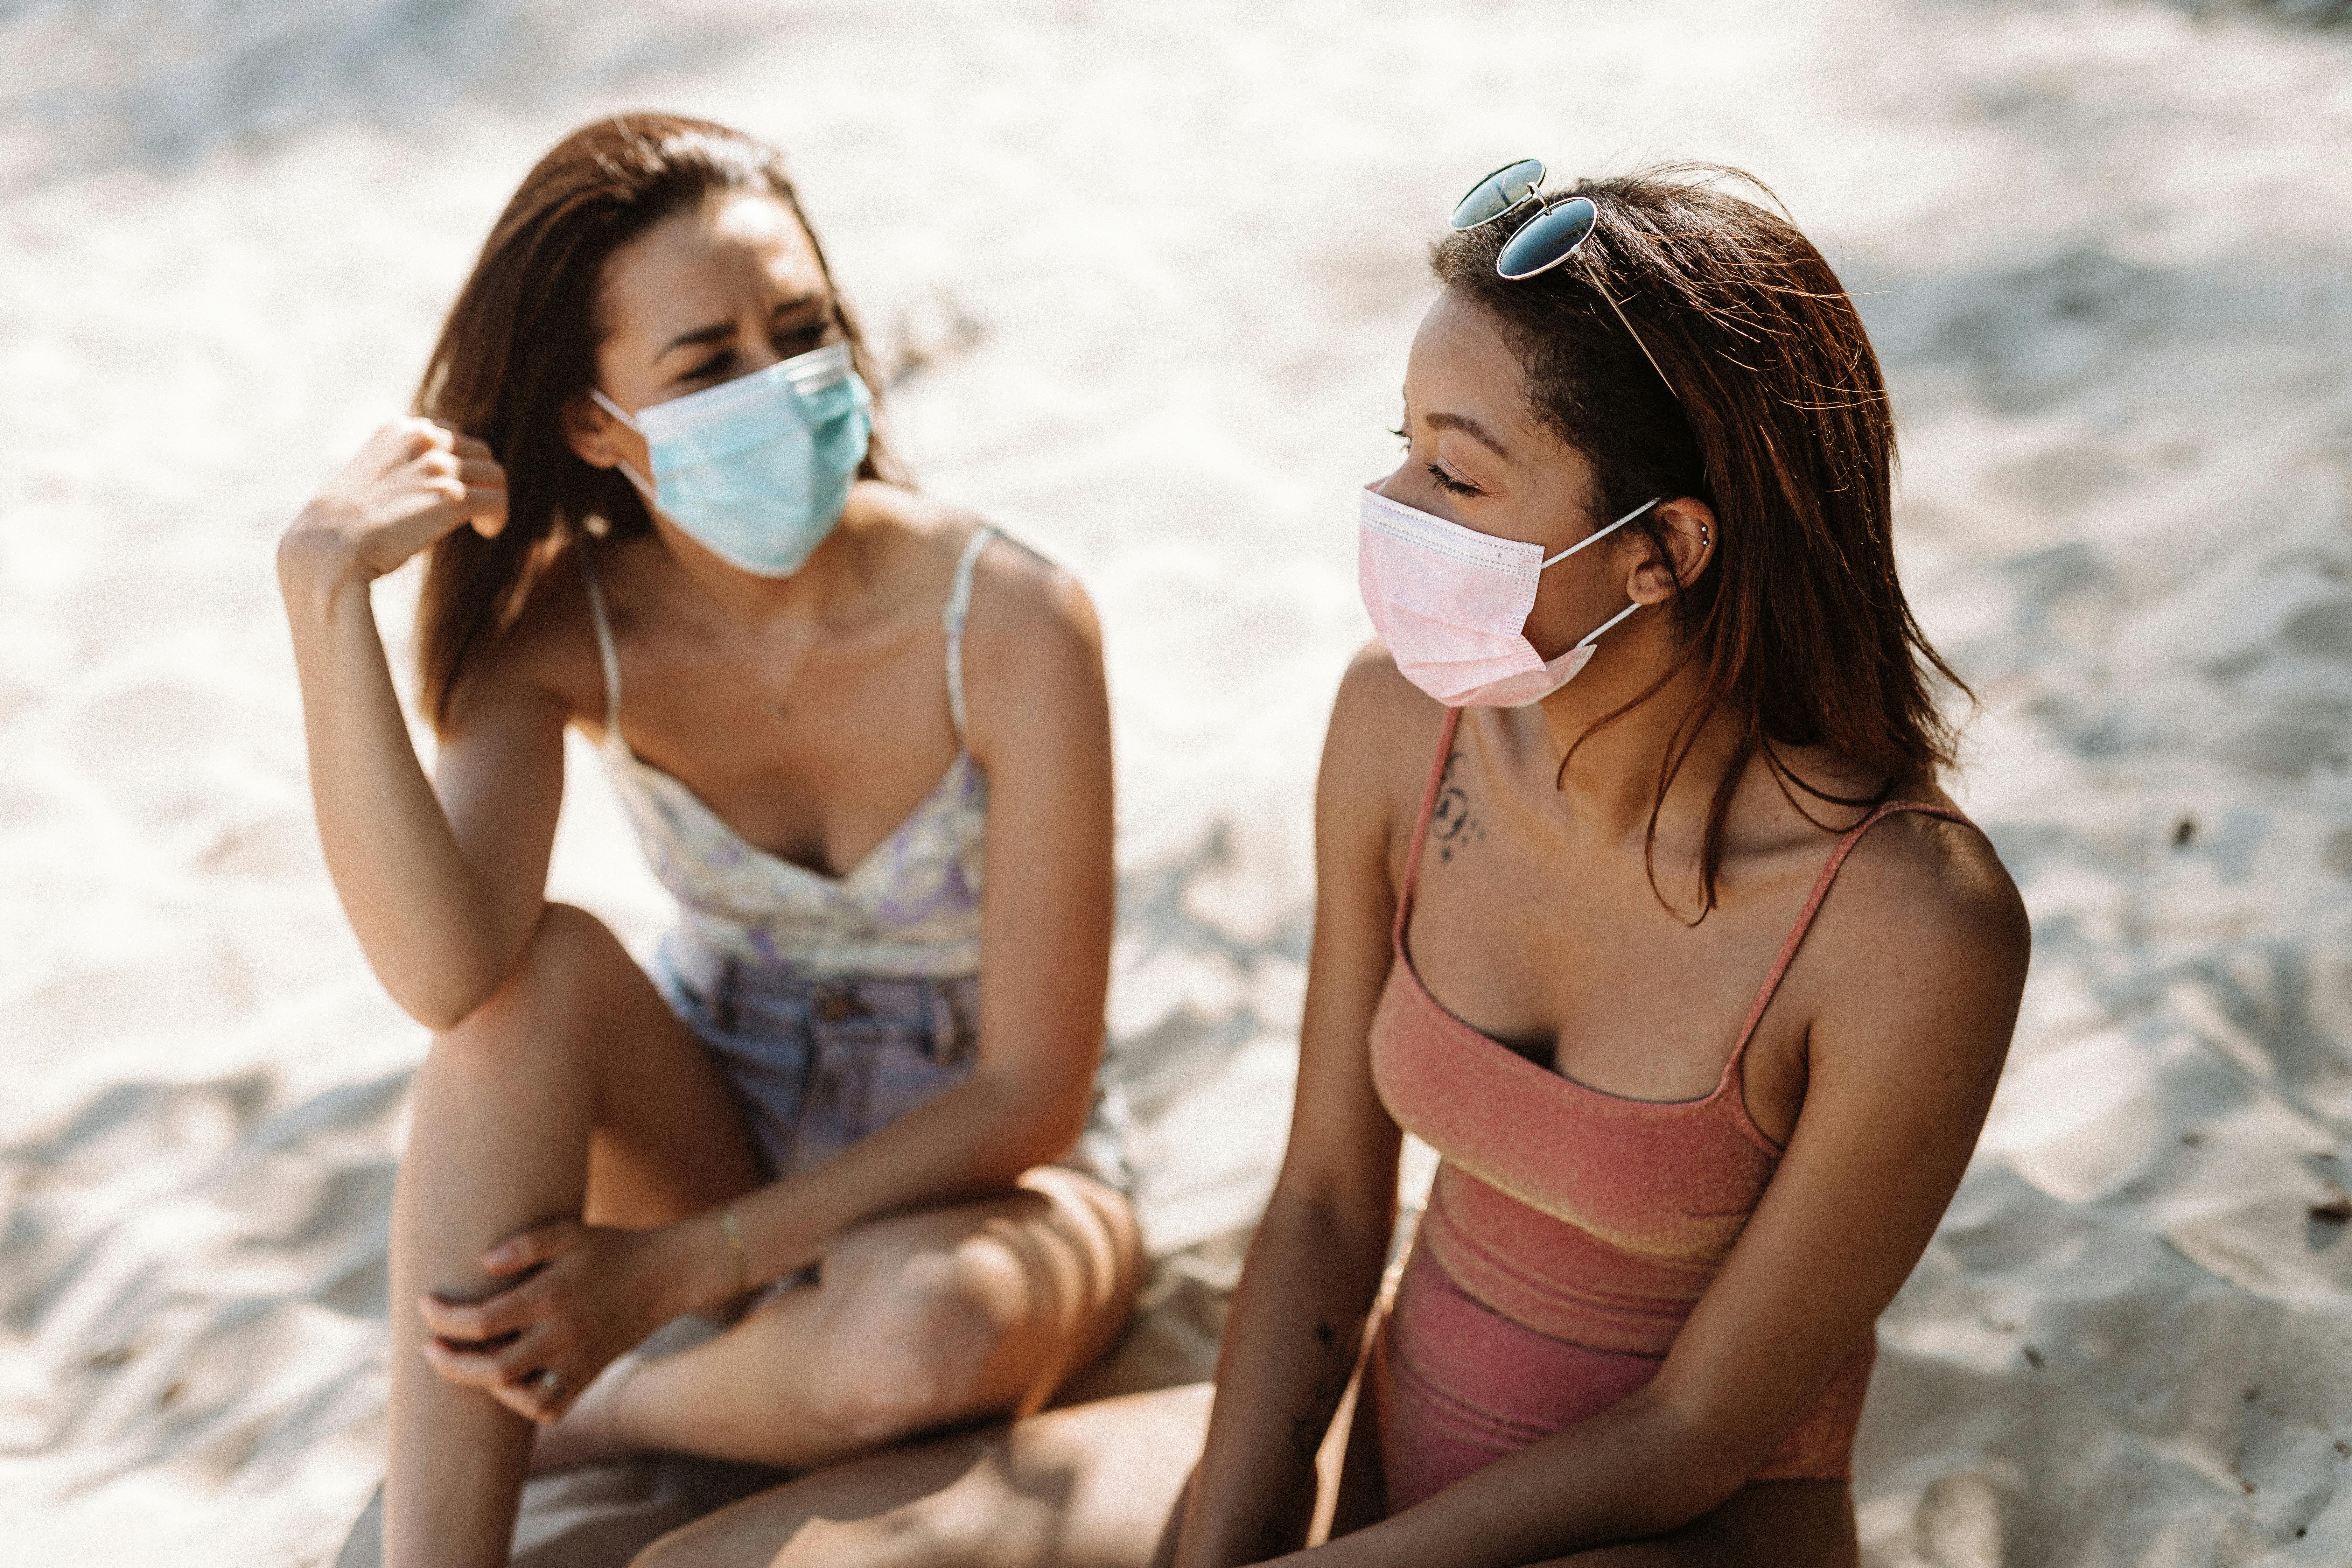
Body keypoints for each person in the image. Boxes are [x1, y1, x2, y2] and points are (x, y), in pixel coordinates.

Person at [622, 161, 2028, 1568]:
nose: (1390, 500)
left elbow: (1694, 1435)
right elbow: (1323, 1203)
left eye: (1455, 474)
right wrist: (1227, 1539)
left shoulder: (1911, 928)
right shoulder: (1401, 726)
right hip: (1383, 1456)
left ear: (1663, 549)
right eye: (1404, 444)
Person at [275, 113, 1141, 1568]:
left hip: (986, 1181)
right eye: (708, 364)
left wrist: (673, 1274)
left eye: (800, 332)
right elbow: (446, 976)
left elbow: (1032, 1095)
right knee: (528, 981)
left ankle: (616, 1410)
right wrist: (324, 602)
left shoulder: (1010, 618)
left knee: (921, 1334)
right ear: (593, 426)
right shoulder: (563, 628)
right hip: (716, 1131)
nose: (781, 385)